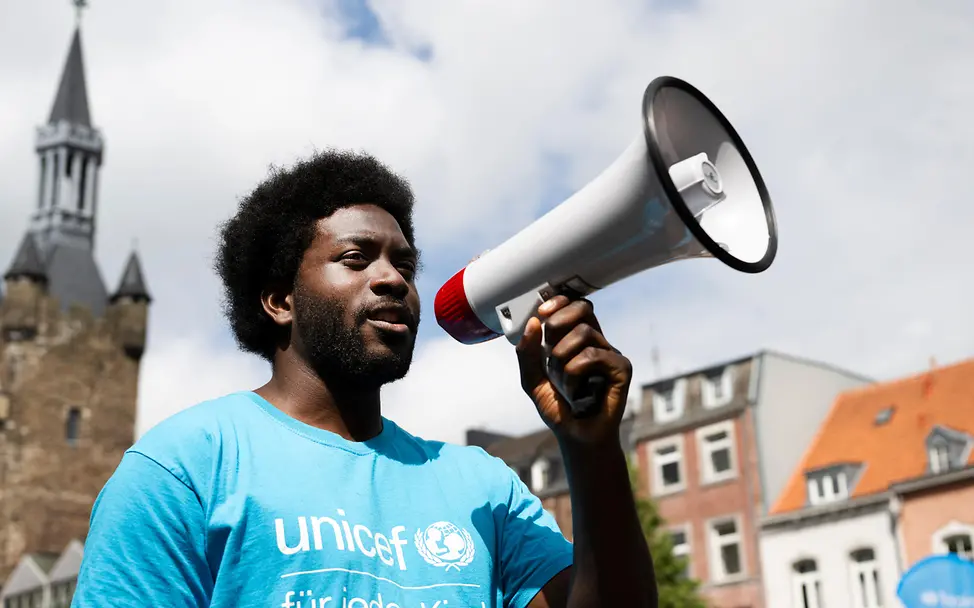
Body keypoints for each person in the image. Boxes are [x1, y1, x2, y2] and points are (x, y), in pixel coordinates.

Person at [71, 150, 657, 608]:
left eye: (404, 265)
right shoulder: (184, 469)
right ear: (279, 300)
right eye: (357, 259)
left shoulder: (482, 486)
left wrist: (592, 447)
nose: (393, 279)